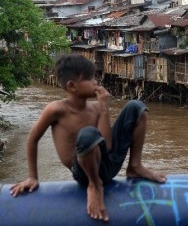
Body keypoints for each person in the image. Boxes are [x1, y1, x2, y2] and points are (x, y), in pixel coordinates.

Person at [9, 53, 166, 221]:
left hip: (107, 163)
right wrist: (32, 177)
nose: (96, 82)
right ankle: (94, 184)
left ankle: (135, 166)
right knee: (87, 134)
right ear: (72, 86)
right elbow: (33, 139)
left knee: (136, 107)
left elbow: (107, 145)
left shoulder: (96, 108)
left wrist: (104, 108)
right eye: (90, 79)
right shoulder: (56, 110)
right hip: (83, 172)